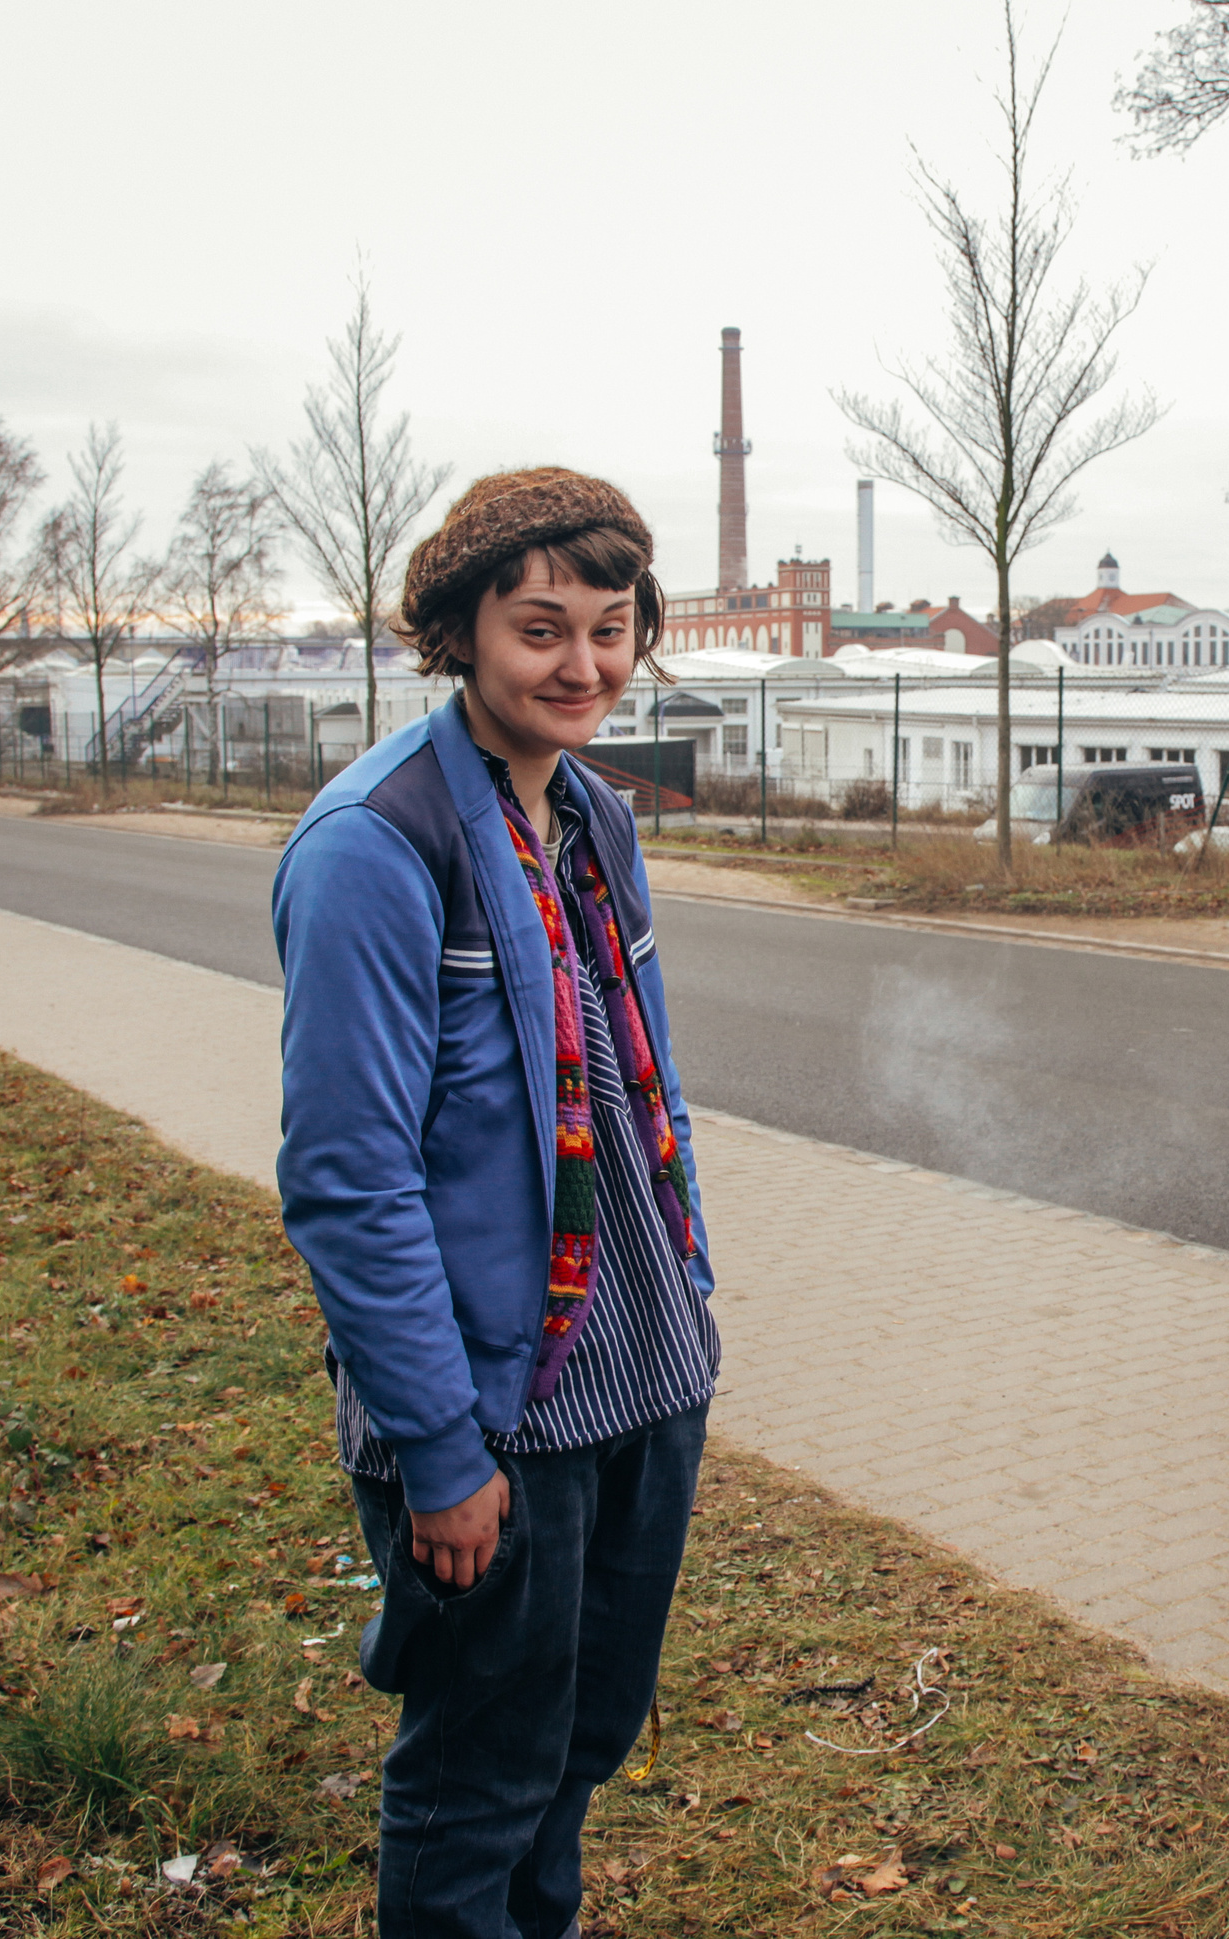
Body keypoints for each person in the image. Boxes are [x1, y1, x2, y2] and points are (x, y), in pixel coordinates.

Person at [273, 468, 717, 1939]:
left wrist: (693, 1304)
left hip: (641, 1381)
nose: (583, 665)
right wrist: (440, 1453)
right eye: (541, 629)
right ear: (460, 632)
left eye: (611, 628)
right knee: (481, 1778)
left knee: (579, 1747)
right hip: (495, 1420)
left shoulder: (593, 815)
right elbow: (349, 1184)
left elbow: (641, 1083)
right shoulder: (375, 845)